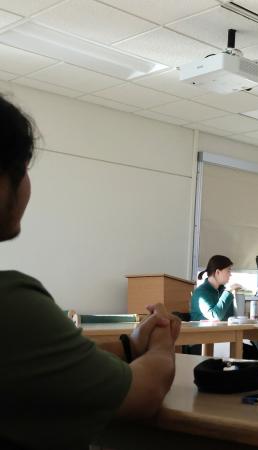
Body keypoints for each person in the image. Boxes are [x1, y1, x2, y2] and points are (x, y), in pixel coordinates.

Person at [0, 95, 180, 449]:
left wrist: (132, 344)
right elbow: (144, 394)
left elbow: (52, 362)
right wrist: (161, 340)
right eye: (22, 170)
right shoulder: (11, 304)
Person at [190, 254, 242, 321]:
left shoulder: (222, 291)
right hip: (203, 331)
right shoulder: (200, 292)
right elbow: (215, 316)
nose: (230, 274)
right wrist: (228, 292)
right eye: (228, 271)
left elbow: (230, 317)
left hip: (222, 330)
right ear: (217, 272)